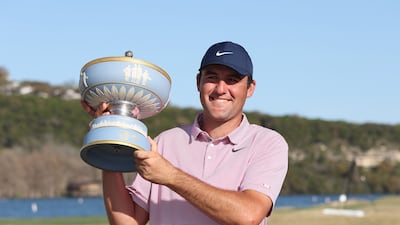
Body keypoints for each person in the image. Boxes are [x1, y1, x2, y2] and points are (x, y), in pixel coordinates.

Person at [82, 41, 288, 225]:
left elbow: (248, 216)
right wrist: (109, 138)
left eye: (232, 80)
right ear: (198, 82)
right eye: (212, 78)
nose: (221, 89)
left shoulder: (267, 143)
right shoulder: (165, 142)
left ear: (250, 88)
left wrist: (171, 176)